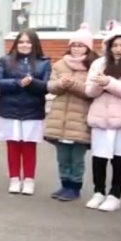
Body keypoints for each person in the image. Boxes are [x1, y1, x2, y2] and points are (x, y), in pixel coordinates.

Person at [0, 28, 51, 195]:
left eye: (28, 42)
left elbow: (46, 86)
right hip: (9, 110)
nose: (24, 45)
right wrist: (18, 82)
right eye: (21, 42)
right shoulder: (5, 60)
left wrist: (31, 82)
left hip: (32, 110)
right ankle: (14, 178)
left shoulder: (44, 62)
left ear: (34, 44)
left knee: (28, 146)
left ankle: (29, 180)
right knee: (12, 145)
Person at [45, 24, 96, 202]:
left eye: (80, 45)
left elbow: (92, 91)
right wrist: (60, 84)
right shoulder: (60, 64)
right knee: (62, 156)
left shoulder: (94, 66)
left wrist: (72, 85)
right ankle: (64, 184)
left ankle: (75, 187)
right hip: (60, 119)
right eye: (74, 45)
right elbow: (50, 86)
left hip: (80, 118)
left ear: (88, 48)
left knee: (77, 158)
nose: (76, 48)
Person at [84, 26, 121, 212]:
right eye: (115, 45)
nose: (118, 49)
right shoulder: (99, 63)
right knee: (99, 158)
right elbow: (89, 91)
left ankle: (115, 194)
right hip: (100, 118)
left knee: (119, 159)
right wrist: (99, 85)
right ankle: (98, 191)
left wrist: (110, 82)